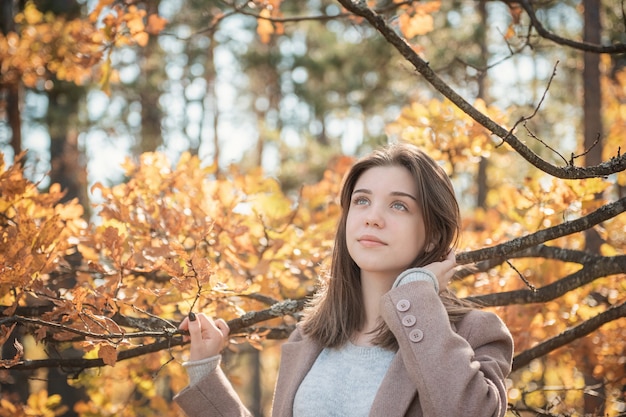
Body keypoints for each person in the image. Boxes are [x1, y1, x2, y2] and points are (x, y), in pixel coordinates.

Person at [174, 142, 514, 417]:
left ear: (432, 235)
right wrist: (205, 368)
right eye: (361, 201)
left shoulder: (475, 333)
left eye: (399, 206)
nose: (372, 218)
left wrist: (416, 292)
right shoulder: (309, 337)